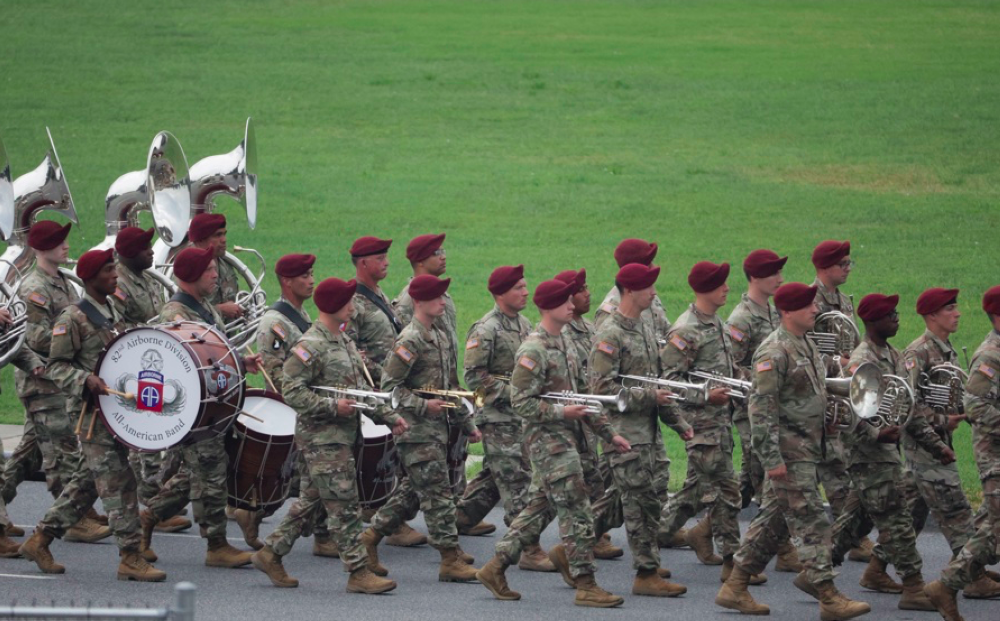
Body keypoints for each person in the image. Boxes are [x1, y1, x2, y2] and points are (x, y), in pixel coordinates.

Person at [715, 282, 870, 619]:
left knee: (773, 524)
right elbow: (761, 409)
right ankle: (828, 597)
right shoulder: (774, 352)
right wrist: (771, 460)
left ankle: (735, 586)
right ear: (788, 312)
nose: (815, 310)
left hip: (808, 450)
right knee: (813, 521)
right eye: (807, 306)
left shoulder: (806, 343)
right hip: (788, 453)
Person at [476, 277, 630, 607]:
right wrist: (561, 412)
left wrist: (610, 434)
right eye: (564, 302)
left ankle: (495, 567)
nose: (572, 306)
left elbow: (584, 398)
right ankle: (586, 585)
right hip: (549, 442)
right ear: (548, 308)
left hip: (570, 439)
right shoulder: (533, 349)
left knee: (538, 508)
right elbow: (521, 402)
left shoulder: (568, 344)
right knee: (577, 510)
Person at [251, 277, 406, 593]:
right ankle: (358, 572)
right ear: (335, 306)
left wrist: (389, 417)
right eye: (348, 301)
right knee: (345, 504)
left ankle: (271, 552)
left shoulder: (343, 340)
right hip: (322, 438)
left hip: (342, 436)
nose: (353, 306)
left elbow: (359, 390)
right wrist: (333, 407)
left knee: (312, 501)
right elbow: (291, 391)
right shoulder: (311, 346)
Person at [19, 249, 164, 581]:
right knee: (119, 480)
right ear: (90, 279)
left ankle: (39, 539)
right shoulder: (72, 318)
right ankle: (130, 556)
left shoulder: (111, 309)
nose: (115, 275)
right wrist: (84, 379)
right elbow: (56, 366)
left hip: (112, 409)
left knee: (86, 485)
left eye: (114, 268)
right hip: (90, 413)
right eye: (108, 270)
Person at [138, 246, 262, 568]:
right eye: (208, 269)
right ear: (191, 275)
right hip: (196, 409)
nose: (215, 273)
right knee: (210, 473)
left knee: (197, 474)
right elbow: (181, 365)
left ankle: (147, 518)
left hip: (216, 403)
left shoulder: (205, 306)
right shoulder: (175, 315)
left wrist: (239, 362)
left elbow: (215, 351)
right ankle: (217, 546)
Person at [361, 275, 482, 583]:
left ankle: (370, 537)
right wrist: (421, 405)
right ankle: (449, 557)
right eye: (437, 297)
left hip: (437, 429)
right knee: (439, 494)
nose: (444, 301)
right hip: (415, 431)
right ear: (420, 302)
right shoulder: (410, 340)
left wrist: (466, 424)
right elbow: (391, 388)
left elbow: (448, 388)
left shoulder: (438, 336)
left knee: (413, 493)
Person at [826, 293, 935, 610]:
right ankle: (914, 588)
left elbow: (904, 404)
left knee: (856, 522)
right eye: (890, 314)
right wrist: (877, 432)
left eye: (896, 313)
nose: (897, 318)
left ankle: (814, 571)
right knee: (897, 519)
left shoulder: (894, 354)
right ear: (873, 321)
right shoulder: (861, 360)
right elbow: (848, 410)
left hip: (887, 451)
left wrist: (935, 445)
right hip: (867, 452)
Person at [589, 263, 690, 597]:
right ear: (630, 291)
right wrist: (649, 396)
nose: (655, 292)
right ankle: (646, 574)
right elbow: (602, 389)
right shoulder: (610, 332)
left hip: (647, 429)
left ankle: (576, 547)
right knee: (640, 503)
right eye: (649, 287)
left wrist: (678, 423)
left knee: (626, 499)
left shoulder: (644, 327)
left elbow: (656, 381)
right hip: (623, 431)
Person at [4, 220, 107, 542]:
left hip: (57, 380)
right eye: (58, 241)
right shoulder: (33, 287)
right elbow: (33, 337)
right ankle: (73, 519)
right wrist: (80, 342)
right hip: (42, 381)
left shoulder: (63, 281)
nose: (66, 245)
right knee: (63, 451)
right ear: (40, 249)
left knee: (28, 456)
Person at [657, 261, 752, 584]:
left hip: (719, 425)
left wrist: (748, 383)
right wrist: (706, 397)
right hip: (700, 425)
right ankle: (733, 563)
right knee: (728, 491)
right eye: (721, 284)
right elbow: (668, 381)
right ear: (705, 289)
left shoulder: (717, 325)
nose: (727, 288)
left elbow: (727, 369)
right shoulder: (686, 330)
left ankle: (655, 535)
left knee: (694, 493)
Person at [901, 288, 1000, 598]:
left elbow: (958, 398)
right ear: (932, 315)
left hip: (942, 442)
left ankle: (878, 568)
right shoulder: (919, 352)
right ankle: (963, 578)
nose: (958, 313)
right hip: (927, 445)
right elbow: (910, 404)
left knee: (909, 514)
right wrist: (939, 432)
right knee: (959, 512)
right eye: (951, 308)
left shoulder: (947, 350)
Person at [455, 265, 553, 571]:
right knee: (516, 481)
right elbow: (474, 376)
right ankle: (530, 549)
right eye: (518, 288)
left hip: (519, 417)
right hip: (498, 418)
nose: (526, 292)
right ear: (500, 294)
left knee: (496, 479)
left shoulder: (523, 323)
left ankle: (459, 519)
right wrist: (515, 392)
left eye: (525, 286)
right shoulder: (486, 329)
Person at [241, 253, 333, 555]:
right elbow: (274, 373)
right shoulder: (274, 323)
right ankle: (256, 514)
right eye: (304, 276)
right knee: (306, 476)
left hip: (309, 407)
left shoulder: (302, 315)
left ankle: (321, 534)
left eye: (312, 274)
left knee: (308, 476)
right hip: (294, 409)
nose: (311, 280)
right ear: (286, 281)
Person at [345, 236, 425, 547]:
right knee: (381, 459)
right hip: (374, 391)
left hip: (388, 388)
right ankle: (384, 519)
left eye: (386, 257)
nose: (387, 262)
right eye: (380, 258)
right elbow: (348, 348)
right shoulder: (354, 302)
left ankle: (384, 515)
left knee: (393, 457)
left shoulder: (377, 295)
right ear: (363, 263)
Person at [112, 226, 191, 534]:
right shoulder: (119, 284)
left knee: (151, 437)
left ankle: (154, 501)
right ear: (131, 253)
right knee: (142, 442)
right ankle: (150, 505)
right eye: (145, 248)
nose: (152, 251)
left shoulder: (145, 279)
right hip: (134, 370)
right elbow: (116, 328)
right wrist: (154, 328)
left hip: (153, 365)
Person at [725, 249, 800, 573]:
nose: (780, 279)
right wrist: (762, 379)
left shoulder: (772, 312)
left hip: (774, 407)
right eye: (773, 274)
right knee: (767, 479)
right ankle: (782, 550)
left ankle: (704, 529)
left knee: (751, 478)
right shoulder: (741, 318)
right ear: (755, 277)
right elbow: (730, 365)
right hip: (749, 408)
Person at [811, 239, 872, 562]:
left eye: (850, 263)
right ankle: (852, 539)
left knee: (840, 462)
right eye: (843, 264)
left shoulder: (843, 301)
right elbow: (809, 352)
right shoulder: (811, 302)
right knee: (834, 466)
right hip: (821, 392)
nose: (848, 268)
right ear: (824, 268)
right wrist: (838, 362)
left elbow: (853, 342)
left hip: (841, 392)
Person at [186, 213, 242, 322]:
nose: (224, 240)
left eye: (224, 234)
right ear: (200, 240)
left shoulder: (225, 263)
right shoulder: (188, 268)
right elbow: (182, 310)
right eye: (218, 235)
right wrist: (220, 310)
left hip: (229, 336)